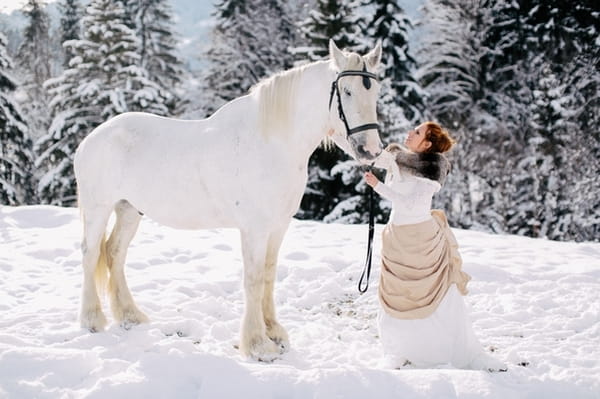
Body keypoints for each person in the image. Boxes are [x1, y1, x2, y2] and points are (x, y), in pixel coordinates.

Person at [364, 121, 505, 371]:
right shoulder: (399, 158)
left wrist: (379, 187)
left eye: (417, 132)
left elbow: (412, 206)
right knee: (395, 295)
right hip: (396, 238)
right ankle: (397, 350)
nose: (410, 132)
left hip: (420, 239)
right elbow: (366, 153)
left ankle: (445, 351)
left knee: (434, 295)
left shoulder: (431, 168)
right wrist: (335, 134)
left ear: (427, 144)